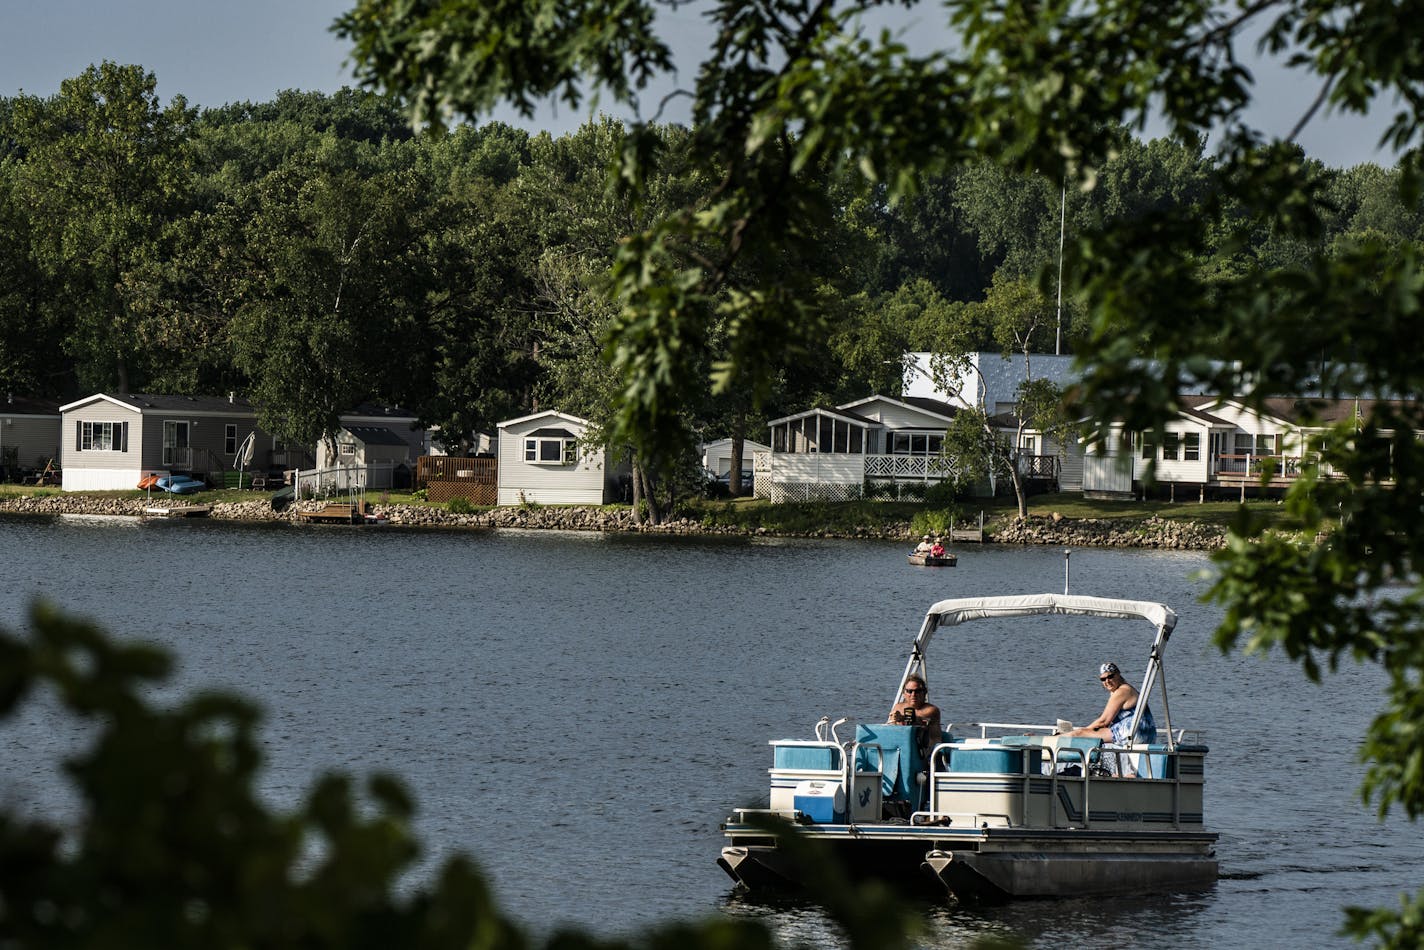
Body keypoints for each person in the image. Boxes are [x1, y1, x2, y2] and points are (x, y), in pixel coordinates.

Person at [1068, 662, 1157, 773]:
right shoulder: (1123, 689)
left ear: (1118, 674)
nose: (1107, 681)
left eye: (1110, 676)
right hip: (1144, 733)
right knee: (1092, 735)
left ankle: (1059, 741)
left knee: (1080, 734)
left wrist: (1083, 731)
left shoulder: (1123, 691)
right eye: (1103, 679)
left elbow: (1103, 721)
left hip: (1134, 732)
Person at [888, 674, 943, 755]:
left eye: (917, 691)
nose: (913, 695)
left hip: (928, 751)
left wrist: (902, 718)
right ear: (904, 693)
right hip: (904, 749)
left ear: (924, 692)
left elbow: (918, 719)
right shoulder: (898, 707)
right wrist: (893, 719)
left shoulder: (932, 710)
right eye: (909, 691)